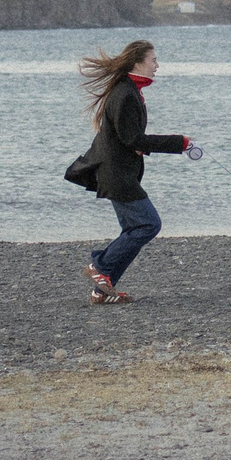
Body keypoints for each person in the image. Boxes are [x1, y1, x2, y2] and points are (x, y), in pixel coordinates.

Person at [64, 40, 195, 302]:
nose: (157, 66)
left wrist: (138, 147)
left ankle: (102, 291)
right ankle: (99, 267)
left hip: (118, 172)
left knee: (133, 229)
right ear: (138, 63)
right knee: (149, 224)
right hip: (116, 174)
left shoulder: (129, 91)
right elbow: (132, 139)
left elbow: (127, 138)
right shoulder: (124, 94)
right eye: (153, 60)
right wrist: (179, 143)